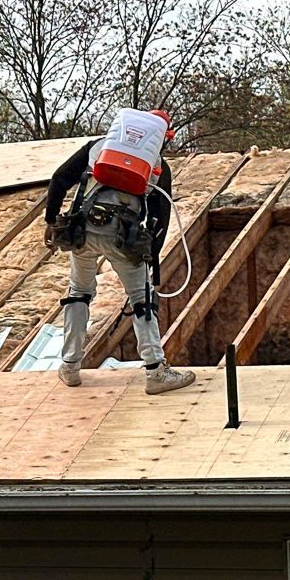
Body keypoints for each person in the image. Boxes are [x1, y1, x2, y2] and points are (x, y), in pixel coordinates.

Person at [43, 109, 196, 395]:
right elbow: (160, 218)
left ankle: (70, 366)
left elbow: (59, 179)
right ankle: (155, 371)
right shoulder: (157, 165)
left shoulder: (98, 148)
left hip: (82, 231)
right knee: (141, 298)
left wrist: (51, 221)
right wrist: (152, 255)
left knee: (79, 292)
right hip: (124, 238)